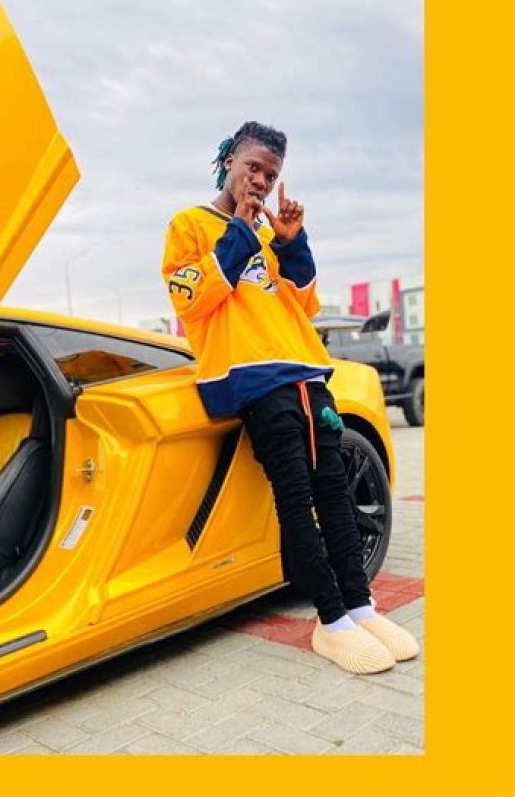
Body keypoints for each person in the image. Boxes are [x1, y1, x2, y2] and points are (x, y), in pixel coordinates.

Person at [161, 121, 419, 675]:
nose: (260, 180)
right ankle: (331, 619)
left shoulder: (266, 235)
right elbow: (193, 299)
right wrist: (239, 229)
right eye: (252, 167)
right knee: (296, 496)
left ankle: (360, 606)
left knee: (334, 491)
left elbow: (302, 304)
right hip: (254, 379)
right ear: (228, 162)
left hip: (305, 372)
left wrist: (291, 243)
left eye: (271, 173)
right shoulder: (190, 225)